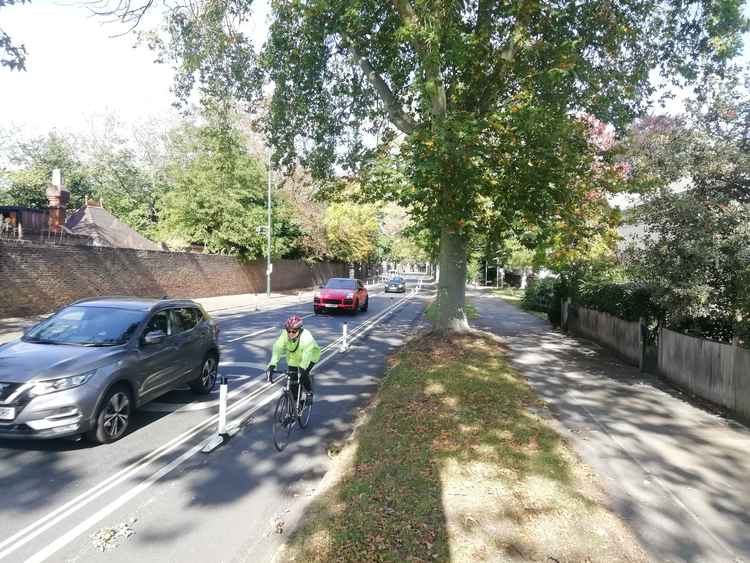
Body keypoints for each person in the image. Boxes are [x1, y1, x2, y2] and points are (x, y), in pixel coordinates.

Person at [267, 315, 320, 409]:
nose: (290, 333)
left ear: (299, 329)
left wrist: (303, 369)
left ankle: (309, 393)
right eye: (288, 330)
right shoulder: (285, 334)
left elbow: (307, 354)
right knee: (293, 382)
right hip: (293, 358)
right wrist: (272, 365)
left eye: (294, 331)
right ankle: (296, 403)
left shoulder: (306, 337)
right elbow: (277, 347)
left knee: (303, 376)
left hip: (310, 357)